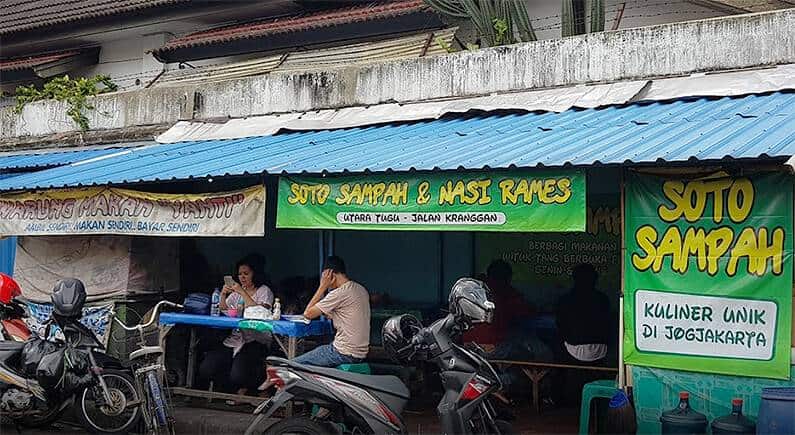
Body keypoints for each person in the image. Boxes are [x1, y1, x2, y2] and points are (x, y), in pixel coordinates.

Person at [198, 254, 274, 398]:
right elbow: (224, 309)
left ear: (255, 274)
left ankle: (252, 388)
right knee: (206, 368)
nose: (242, 277)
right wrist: (222, 294)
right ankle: (232, 389)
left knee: (238, 375)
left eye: (246, 274)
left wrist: (242, 292)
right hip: (235, 339)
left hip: (256, 339)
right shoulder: (237, 293)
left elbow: (259, 311)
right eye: (240, 274)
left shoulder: (264, 291)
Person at [295, 256, 370, 367]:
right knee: (321, 346)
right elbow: (339, 315)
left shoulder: (339, 293)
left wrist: (322, 287)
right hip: (360, 353)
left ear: (329, 274)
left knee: (293, 365)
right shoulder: (360, 289)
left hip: (343, 353)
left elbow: (307, 314)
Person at [463, 260, 536, 358]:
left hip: (466, 346)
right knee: (533, 351)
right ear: (507, 278)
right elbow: (528, 310)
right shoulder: (506, 293)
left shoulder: (471, 290)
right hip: (492, 347)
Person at [555, 263, 611, 364]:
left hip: (573, 349)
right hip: (600, 351)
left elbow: (560, 325)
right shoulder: (603, 298)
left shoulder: (566, 299)